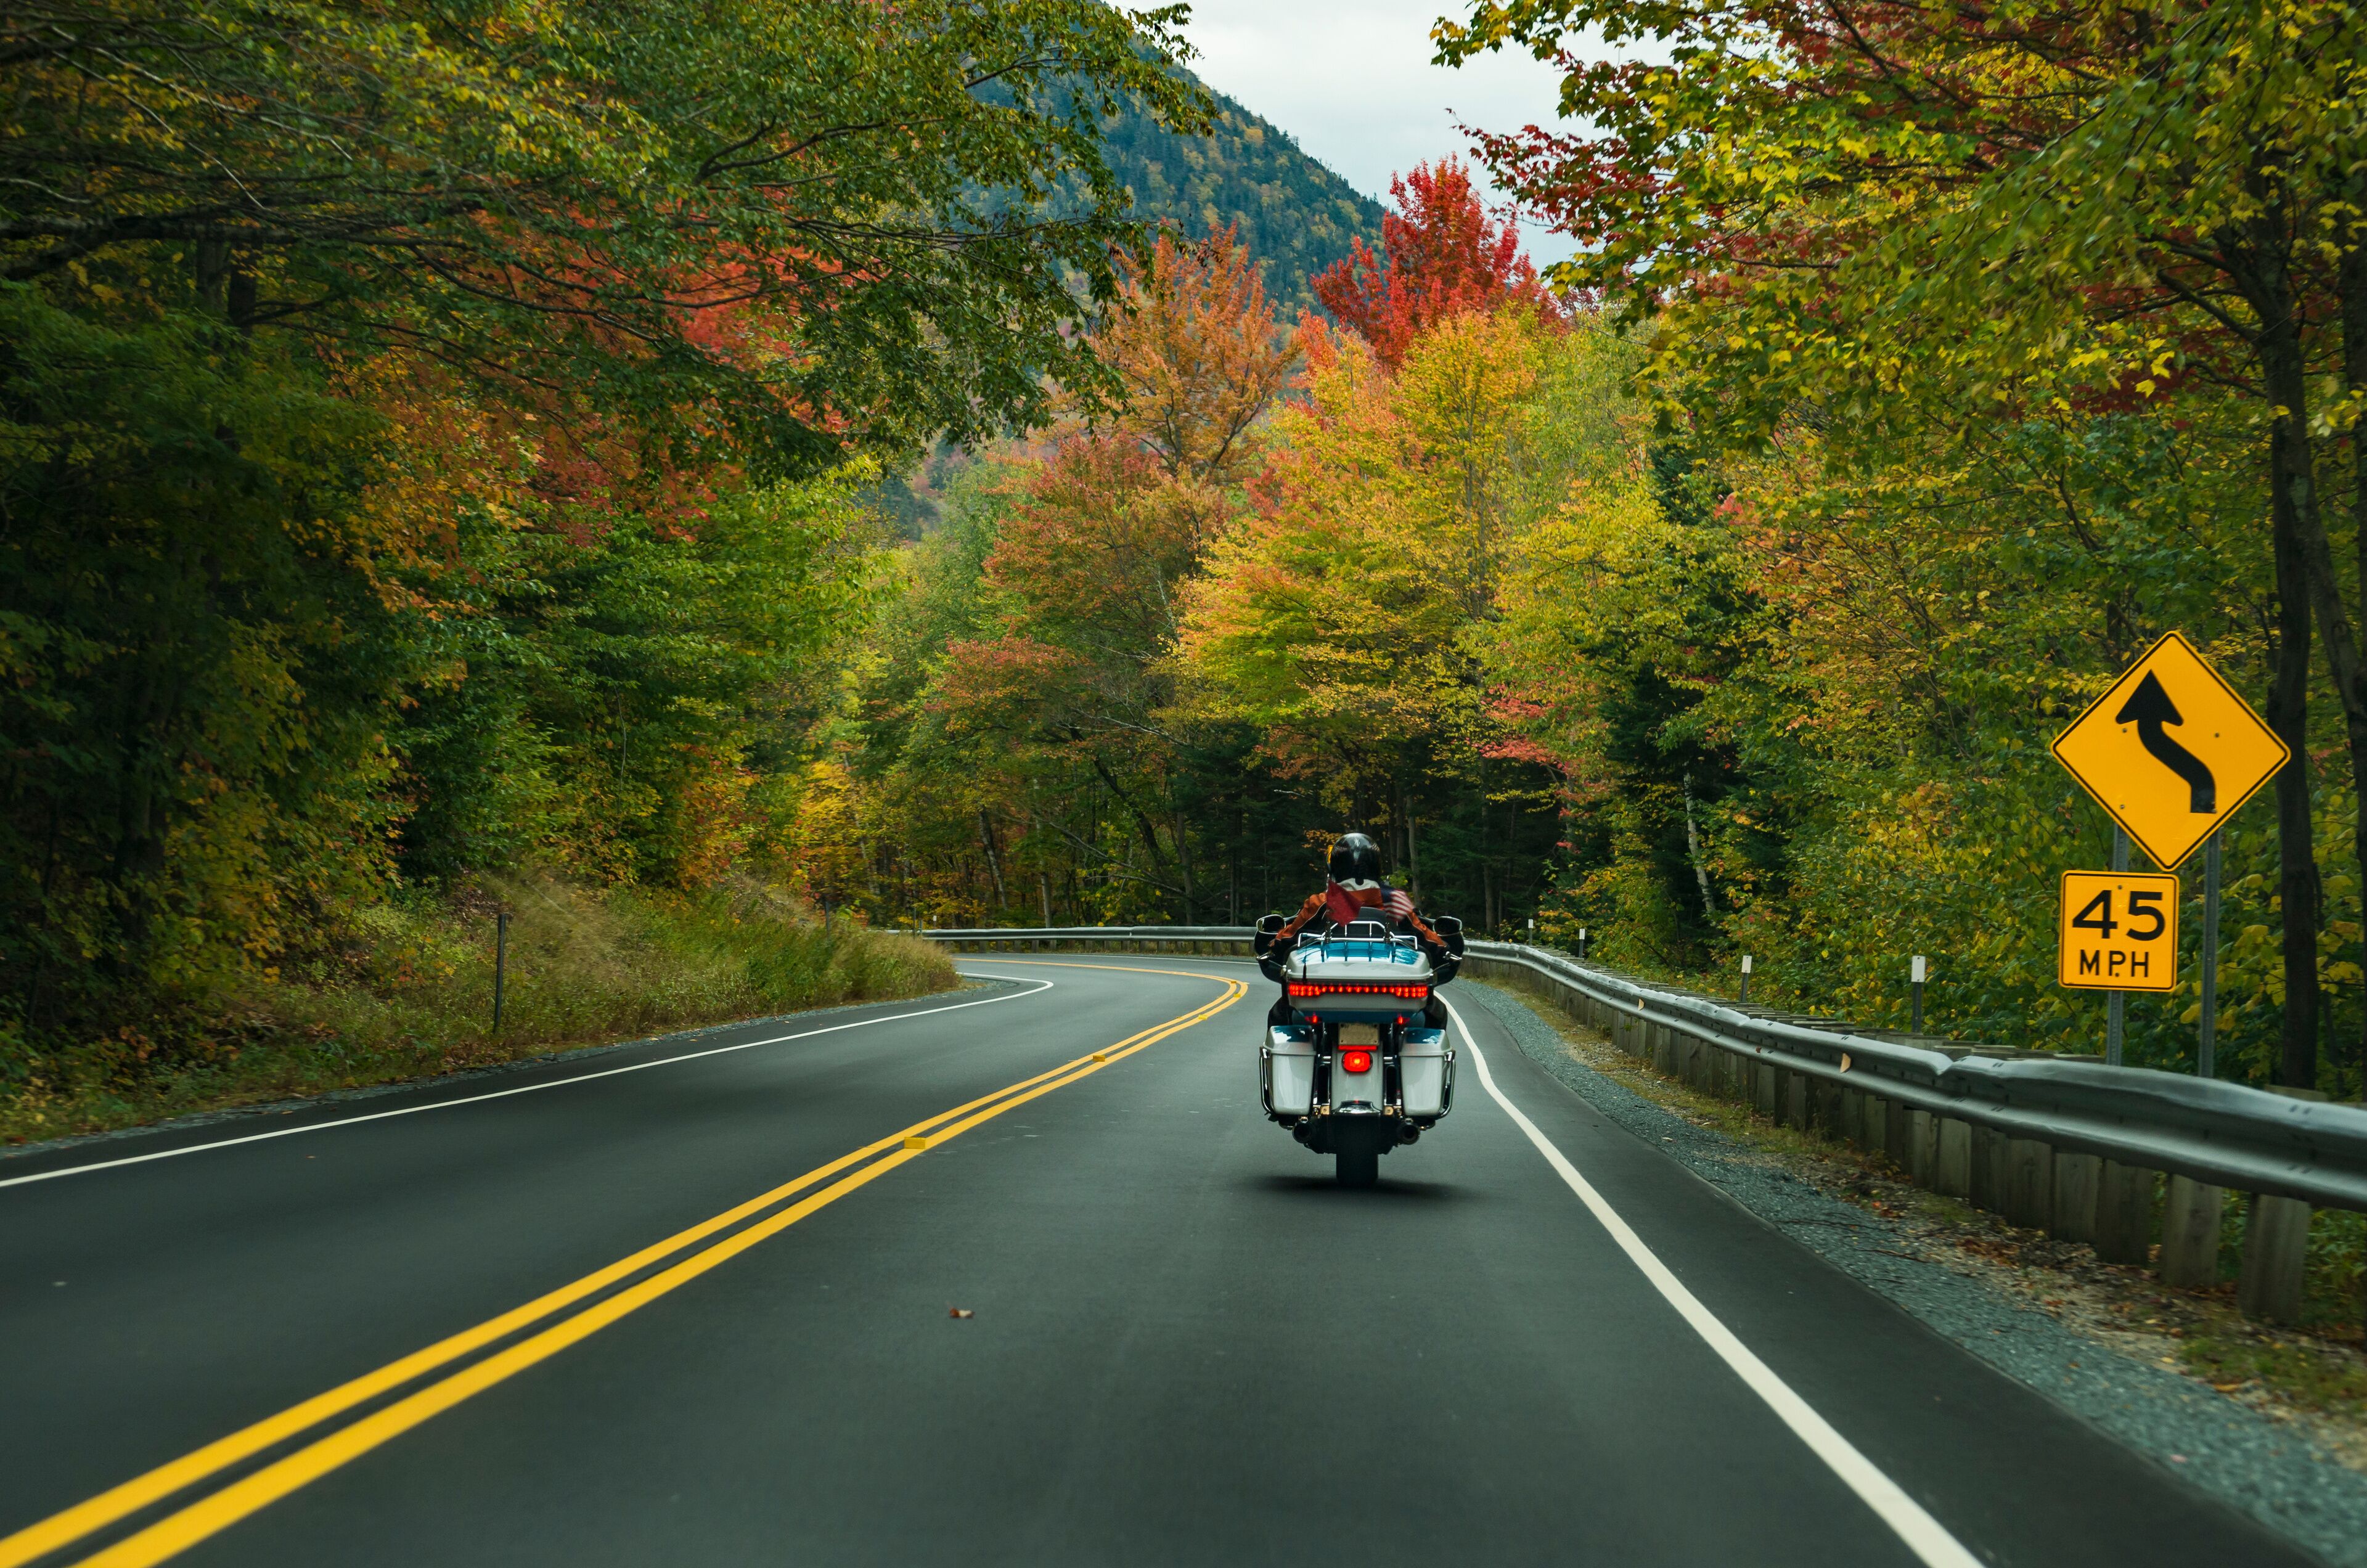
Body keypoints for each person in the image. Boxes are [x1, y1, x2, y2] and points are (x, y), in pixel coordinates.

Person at [1260, 833, 1459, 1026]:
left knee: (1280, 1014)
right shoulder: (1394, 900)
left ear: (1335, 866)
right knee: (1435, 1012)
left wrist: (1272, 947)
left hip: (1326, 986)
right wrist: (1445, 951)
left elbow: (1286, 940)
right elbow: (1429, 940)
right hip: (1389, 987)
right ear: (1376, 866)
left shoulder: (1323, 902)